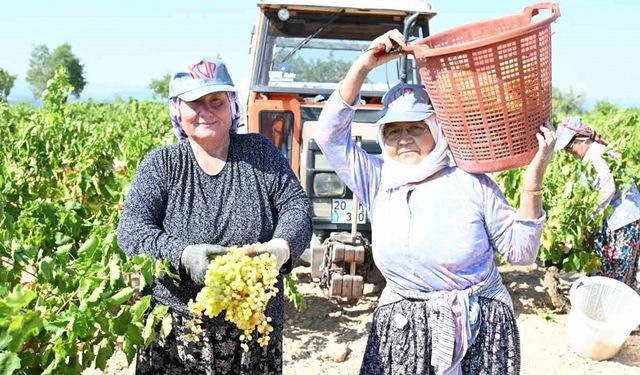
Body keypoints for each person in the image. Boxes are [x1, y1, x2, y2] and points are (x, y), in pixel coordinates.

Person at [314, 30, 556, 375]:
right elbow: (328, 135)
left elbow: (522, 253)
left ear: (437, 130)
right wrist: (364, 65)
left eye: (416, 127)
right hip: (402, 330)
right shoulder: (378, 180)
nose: (405, 138)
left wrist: (533, 181)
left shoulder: (472, 182)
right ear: (383, 138)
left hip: (478, 329)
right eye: (394, 131)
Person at [117, 57, 313, 375]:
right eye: (195, 102)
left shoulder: (259, 153)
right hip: (179, 334)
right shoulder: (162, 164)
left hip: (252, 329)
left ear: (232, 106)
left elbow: (296, 207)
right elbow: (131, 230)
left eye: (216, 101)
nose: (206, 111)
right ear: (177, 110)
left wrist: (282, 247)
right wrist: (183, 255)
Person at [555, 117, 640, 291]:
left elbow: (608, 188)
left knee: (616, 274)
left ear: (581, 140)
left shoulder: (595, 155)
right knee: (614, 273)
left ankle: (614, 314)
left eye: (570, 148)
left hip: (621, 222)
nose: (570, 153)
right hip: (620, 219)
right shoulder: (594, 153)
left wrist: (588, 217)